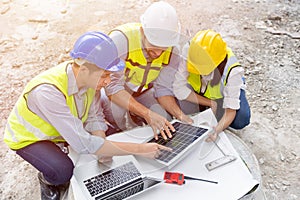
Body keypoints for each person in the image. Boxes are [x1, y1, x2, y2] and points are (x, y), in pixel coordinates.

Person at [3, 31, 171, 200]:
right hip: (31, 138)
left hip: (62, 128)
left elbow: (94, 116)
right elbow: (83, 143)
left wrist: (102, 144)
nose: (108, 82)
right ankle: (48, 181)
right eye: (104, 75)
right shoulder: (46, 92)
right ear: (84, 69)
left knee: (110, 139)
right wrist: (140, 149)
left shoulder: (90, 81)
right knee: (62, 171)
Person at [102, 1, 183, 140]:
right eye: (154, 45)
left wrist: (181, 116)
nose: (158, 53)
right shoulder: (121, 41)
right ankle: (116, 127)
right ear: (142, 31)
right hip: (116, 92)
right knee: (117, 117)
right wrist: (146, 113)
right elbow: (112, 87)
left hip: (143, 91)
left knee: (166, 120)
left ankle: (136, 113)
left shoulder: (173, 50)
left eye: (163, 47)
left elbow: (162, 89)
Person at [158, 29, 251, 141]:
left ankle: (218, 105)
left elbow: (231, 110)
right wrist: (210, 103)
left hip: (222, 91)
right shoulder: (189, 52)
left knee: (240, 119)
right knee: (190, 111)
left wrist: (216, 130)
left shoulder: (232, 70)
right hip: (201, 90)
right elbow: (179, 89)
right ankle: (210, 106)